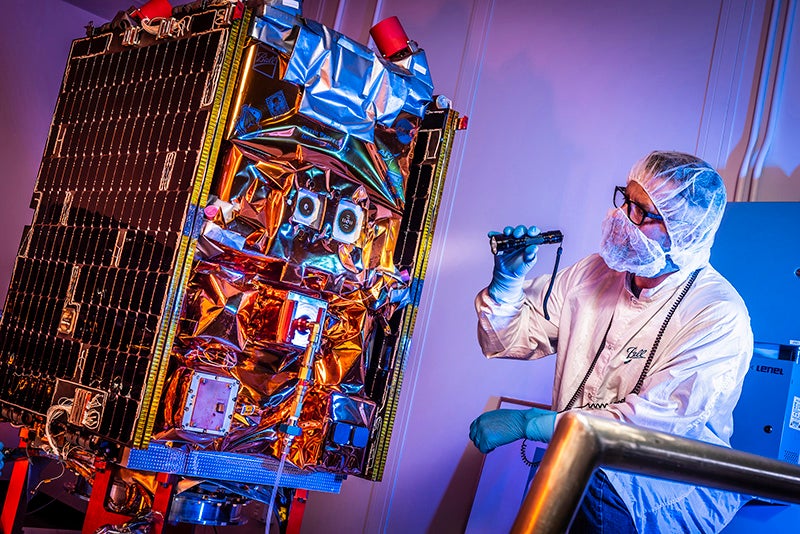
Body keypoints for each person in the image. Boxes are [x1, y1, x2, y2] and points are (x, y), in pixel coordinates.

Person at [469, 151, 753, 533]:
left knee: (588, 483)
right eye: (626, 200)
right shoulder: (595, 273)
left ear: (683, 232)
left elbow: (652, 428)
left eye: (642, 212)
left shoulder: (717, 314)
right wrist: (507, 285)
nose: (622, 218)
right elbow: (510, 339)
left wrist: (529, 423)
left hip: (651, 495)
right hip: (580, 465)